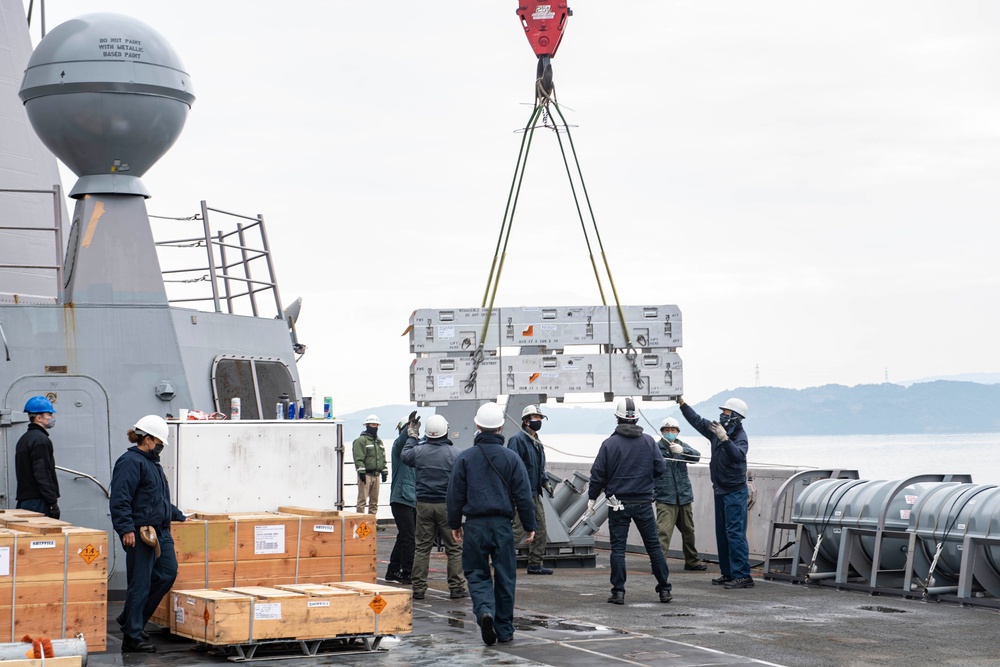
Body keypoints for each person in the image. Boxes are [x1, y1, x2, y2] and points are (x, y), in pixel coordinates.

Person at [447, 403, 536, 646]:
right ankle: (505, 629)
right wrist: (529, 525)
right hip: (502, 526)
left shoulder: (465, 458)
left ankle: (485, 611)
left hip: (474, 525)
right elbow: (524, 496)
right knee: (506, 576)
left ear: (477, 425)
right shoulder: (512, 458)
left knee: (476, 572)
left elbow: (454, 495)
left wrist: (455, 524)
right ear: (500, 427)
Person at [110, 415, 186, 653]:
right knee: (140, 583)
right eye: (159, 441)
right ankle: (132, 638)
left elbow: (158, 500)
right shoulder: (131, 462)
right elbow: (120, 498)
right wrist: (126, 529)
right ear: (148, 438)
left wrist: (179, 515)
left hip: (161, 531)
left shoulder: (152, 463)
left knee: (167, 573)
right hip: (142, 533)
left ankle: (131, 619)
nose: (161, 445)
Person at [587, 397, 673, 605]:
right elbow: (660, 468)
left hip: (618, 503)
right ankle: (664, 590)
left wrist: (592, 498)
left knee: (618, 549)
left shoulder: (608, 444)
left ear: (617, 417)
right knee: (654, 547)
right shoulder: (649, 441)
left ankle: (618, 592)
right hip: (643, 502)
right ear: (636, 418)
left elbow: (598, 474)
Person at [678, 396, 753, 589]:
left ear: (735, 416)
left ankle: (743, 575)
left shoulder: (740, 437)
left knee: (735, 533)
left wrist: (725, 439)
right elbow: (697, 421)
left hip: (735, 491)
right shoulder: (715, 431)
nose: (722, 414)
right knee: (722, 533)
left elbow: (737, 456)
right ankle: (728, 573)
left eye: (726, 412)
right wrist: (683, 405)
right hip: (720, 489)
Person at [401, 412, 467, 600]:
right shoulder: (456, 454)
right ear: (446, 431)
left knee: (422, 548)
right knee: (454, 548)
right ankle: (456, 587)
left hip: (424, 505)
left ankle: (419, 589)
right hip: (447, 506)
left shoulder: (419, 452)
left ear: (428, 433)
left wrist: (412, 436)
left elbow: (404, 455)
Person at [655, 417, 706, 571]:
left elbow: (696, 457)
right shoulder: (656, 448)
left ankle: (692, 561)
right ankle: (659, 563)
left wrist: (684, 451)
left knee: (689, 531)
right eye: (667, 430)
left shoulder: (682, 446)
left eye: (673, 430)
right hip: (665, 497)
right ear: (662, 432)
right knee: (663, 531)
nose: (670, 433)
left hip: (683, 496)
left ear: (677, 432)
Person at [508, 404, 554, 574]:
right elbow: (511, 467)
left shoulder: (537, 442)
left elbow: (539, 468)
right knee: (518, 529)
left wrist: (545, 481)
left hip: (535, 493)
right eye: (536, 418)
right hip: (522, 494)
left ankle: (535, 564)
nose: (539, 421)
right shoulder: (517, 440)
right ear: (526, 421)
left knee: (540, 529)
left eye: (540, 418)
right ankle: (501, 559)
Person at [14, 396, 60, 519]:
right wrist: (52, 502)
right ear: (39, 418)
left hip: (25, 501)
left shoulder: (24, 439)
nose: (52, 418)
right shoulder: (41, 440)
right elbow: (42, 473)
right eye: (49, 414)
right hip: (38, 502)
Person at [386, 412, 418, 585]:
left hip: (411, 499)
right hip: (401, 499)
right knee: (409, 538)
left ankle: (392, 570)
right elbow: (400, 442)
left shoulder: (415, 451)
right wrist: (408, 430)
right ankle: (406, 572)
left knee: (404, 536)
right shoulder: (398, 449)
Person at [353, 414, 387, 514]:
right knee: (362, 501)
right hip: (366, 475)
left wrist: (384, 471)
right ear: (367, 425)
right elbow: (358, 457)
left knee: (374, 502)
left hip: (376, 475)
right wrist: (361, 472)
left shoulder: (379, 441)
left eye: (376, 425)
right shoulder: (361, 441)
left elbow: (382, 457)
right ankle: (360, 524)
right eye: (372, 424)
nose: (375, 427)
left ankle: (372, 523)